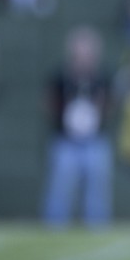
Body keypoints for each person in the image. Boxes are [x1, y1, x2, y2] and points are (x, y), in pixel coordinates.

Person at [41, 25, 114, 229]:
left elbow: (109, 104)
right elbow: (48, 103)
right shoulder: (60, 76)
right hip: (66, 140)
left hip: (94, 140)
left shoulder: (101, 78)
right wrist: (65, 116)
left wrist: (96, 113)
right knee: (61, 187)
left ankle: (97, 227)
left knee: (97, 189)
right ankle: (54, 227)